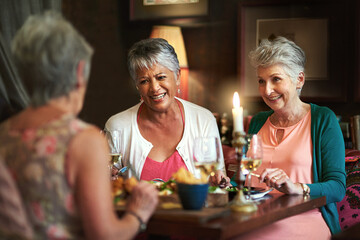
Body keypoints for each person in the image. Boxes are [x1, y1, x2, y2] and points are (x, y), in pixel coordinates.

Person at [0, 11, 158, 240]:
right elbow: (106, 236)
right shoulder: (84, 140)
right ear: (78, 71)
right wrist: (138, 213)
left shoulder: (4, 134)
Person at [241, 36, 346, 239]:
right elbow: (248, 180)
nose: (267, 90)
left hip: (305, 217)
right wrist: (227, 182)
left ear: (299, 79)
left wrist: (296, 187)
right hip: (255, 218)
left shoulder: (323, 119)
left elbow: (338, 188)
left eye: (276, 79)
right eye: (261, 81)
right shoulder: (257, 122)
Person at [105, 38, 229, 186]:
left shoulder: (203, 120)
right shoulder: (117, 126)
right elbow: (108, 185)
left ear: (177, 76)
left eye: (161, 77)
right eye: (144, 81)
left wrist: (220, 183)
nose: (154, 88)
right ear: (137, 86)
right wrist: (108, 180)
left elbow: (218, 183)